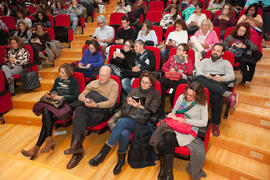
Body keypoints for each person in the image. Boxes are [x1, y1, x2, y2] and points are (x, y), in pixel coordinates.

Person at [89, 71, 161, 175]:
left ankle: (103, 153)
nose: (143, 85)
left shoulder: (155, 94)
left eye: (146, 83)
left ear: (151, 84)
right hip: (130, 117)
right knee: (124, 132)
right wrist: (128, 102)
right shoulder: (135, 90)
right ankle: (120, 161)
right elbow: (124, 105)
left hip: (143, 123)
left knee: (122, 122)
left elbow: (153, 112)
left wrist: (140, 106)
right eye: (142, 82)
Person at [63, 65, 119, 169]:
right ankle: (77, 148)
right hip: (89, 107)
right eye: (100, 75)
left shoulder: (114, 85)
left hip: (101, 111)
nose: (101, 78)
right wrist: (86, 100)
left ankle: (76, 151)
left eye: (104, 76)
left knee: (78, 119)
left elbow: (111, 103)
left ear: (110, 76)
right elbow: (81, 95)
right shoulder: (93, 83)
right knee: (78, 110)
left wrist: (96, 105)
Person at [21, 63, 80, 160]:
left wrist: (62, 97)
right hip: (55, 104)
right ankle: (46, 142)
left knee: (46, 118)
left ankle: (37, 147)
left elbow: (76, 96)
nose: (60, 74)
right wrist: (49, 94)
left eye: (62, 72)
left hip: (65, 106)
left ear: (68, 73)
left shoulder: (74, 81)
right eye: (60, 72)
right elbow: (53, 90)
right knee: (46, 113)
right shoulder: (57, 80)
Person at [151, 81, 208, 180]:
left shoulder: (202, 103)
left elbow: (204, 123)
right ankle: (168, 172)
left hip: (188, 130)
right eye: (187, 93)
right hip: (175, 125)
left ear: (198, 95)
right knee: (166, 138)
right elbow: (174, 111)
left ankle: (164, 170)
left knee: (163, 142)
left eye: (192, 95)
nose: (188, 97)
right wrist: (171, 115)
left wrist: (186, 120)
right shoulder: (181, 97)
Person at [195, 43, 238, 136]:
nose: (215, 52)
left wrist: (221, 78)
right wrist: (205, 76)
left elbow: (232, 76)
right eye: (214, 50)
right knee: (198, 77)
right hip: (205, 84)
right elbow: (198, 72)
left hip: (219, 83)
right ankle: (227, 94)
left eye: (218, 51)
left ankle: (215, 124)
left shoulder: (226, 63)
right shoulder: (205, 61)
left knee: (216, 97)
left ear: (222, 53)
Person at [159, 43, 194, 114]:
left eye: (179, 49)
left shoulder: (188, 60)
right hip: (170, 78)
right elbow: (163, 67)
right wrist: (169, 70)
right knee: (160, 83)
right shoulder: (172, 57)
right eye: (177, 48)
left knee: (176, 89)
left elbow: (190, 72)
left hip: (180, 80)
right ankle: (160, 110)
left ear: (184, 52)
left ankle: (173, 111)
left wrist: (186, 60)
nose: (177, 50)